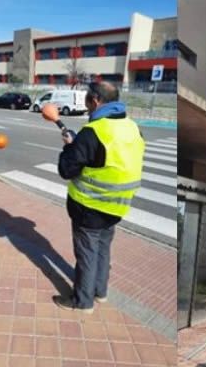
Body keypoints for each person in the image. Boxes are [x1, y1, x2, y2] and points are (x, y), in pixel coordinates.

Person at [53, 81, 145, 313]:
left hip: (89, 206)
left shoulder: (94, 131)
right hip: (117, 206)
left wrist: (69, 148)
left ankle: (82, 301)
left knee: (87, 254)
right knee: (103, 249)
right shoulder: (133, 127)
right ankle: (100, 292)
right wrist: (78, 146)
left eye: (86, 100)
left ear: (95, 100)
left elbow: (67, 170)